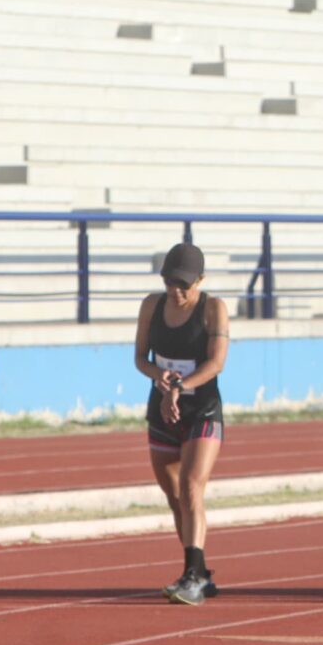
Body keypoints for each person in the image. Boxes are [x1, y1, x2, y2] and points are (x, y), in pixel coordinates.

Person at [136, 241, 229, 606]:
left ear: (200, 281)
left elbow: (216, 362)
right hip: (162, 409)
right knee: (175, 496)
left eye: (184, 285)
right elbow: (140, 358)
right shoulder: (151, 306)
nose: (176, 291)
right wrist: (161, 377)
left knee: (191, 487)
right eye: (169, 283)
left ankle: (193, 575)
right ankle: (199, 572)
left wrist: (180, 386)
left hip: (202, 410)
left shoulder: (213, 309)